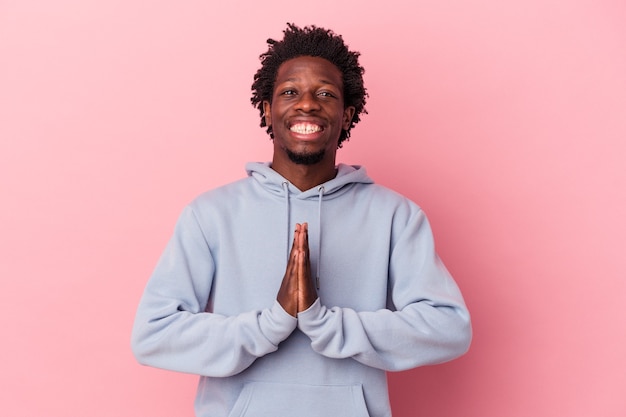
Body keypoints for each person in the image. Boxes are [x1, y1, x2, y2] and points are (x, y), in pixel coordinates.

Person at [131, 23, 472, 417]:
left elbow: (449, 328)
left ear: (346, 116)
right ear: (266, 109)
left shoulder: (395, 216)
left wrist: (324, 322)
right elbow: (153, 335)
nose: (307, 104)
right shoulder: (211, 214)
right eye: (290, 92)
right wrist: (270, 323)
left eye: (325, 94)